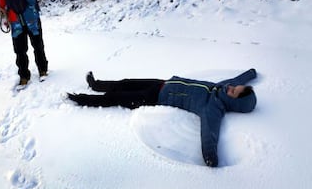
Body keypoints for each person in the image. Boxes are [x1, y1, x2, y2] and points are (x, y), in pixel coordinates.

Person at [68, 69, 258, 167]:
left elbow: (209, 134)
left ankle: (81, 99)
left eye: (234, 91)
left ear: (234, 102)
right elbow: (239, 79)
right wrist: (251, 73)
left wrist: (210, 158)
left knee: (116, 98)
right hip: (162, 83)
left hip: (155, 98)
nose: (231, 87)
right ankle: (96, 85)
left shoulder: (213, 108)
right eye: (234, 87)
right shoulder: (222, 87)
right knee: (124, 83)